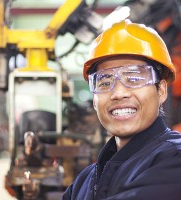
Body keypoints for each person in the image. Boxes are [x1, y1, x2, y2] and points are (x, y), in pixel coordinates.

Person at [62, 19, 181, 200]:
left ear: (161, 90)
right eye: (105, 82)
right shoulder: (83, 182)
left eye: (134, 79)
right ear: (94, 100)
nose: (118, 93)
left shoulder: (175, 159)